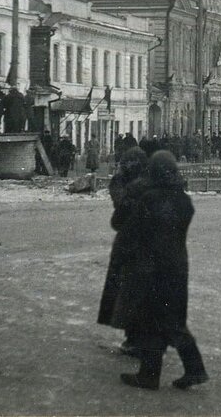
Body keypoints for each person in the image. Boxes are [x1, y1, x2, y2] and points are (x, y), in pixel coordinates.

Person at [113, 150, 208, 391]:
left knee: (148, 321)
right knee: (173, 321)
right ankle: (192, 369)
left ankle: (150, 375)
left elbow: (127, 228)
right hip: (176, 266)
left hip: (150, 268)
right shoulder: (184, 201)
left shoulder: (149, 199)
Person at [98, 146, 150, 357]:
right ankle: (142, 339)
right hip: (148, 248)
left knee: (128, 293)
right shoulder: (151, 182)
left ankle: (135, 340)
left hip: (130, 248)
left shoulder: (129, 187)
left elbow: (118, 217)